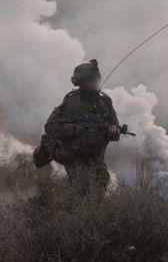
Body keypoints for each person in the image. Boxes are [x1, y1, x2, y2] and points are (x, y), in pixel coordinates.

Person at [42, 59, 121, 198]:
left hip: (95, 156)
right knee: (80, 188)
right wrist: (74, 129)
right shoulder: (70, 101)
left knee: (101, 181)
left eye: (96, 80)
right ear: (82, 82)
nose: (94, 83)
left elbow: (115, 130)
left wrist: (113, 132)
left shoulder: (105, 103)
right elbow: (50, 127)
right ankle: (74, 215)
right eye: (91, 81)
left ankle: (93, 215)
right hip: (73, 155)